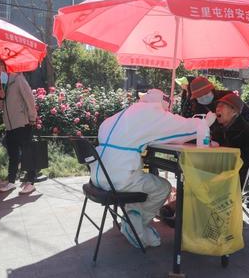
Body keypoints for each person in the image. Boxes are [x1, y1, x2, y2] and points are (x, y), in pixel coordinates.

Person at [91, 89, 215, 248]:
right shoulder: (152, 114)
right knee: (163, 187)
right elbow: (183, 127)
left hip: (98, 177)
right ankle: (136, 225)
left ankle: (133, 215)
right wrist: (204, 123)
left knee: (142, 181)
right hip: (118, 180)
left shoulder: (121, 115)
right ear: (162, 103)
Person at [0, 59, 38, 195]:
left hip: (23, 123)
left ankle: (31, 182)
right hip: (9, 126)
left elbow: (29, 98)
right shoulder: (2, 85)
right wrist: (0, 97)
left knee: (27, 154)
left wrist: (32, 118)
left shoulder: (17, 79)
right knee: (13, 155)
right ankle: (11, 182)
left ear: (1, 67)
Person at [210, 93, 249, 187]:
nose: (217, 109)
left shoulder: (247, 131)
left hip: (242, 173)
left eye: (222, 106)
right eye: (217, 106)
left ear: (234, 111)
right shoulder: (217, 129)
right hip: (223, 169)